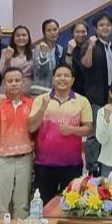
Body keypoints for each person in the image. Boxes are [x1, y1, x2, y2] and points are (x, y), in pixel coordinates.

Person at [30, 64, 94, 203]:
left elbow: (89, 128)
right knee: (43, 205)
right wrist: (43, 108)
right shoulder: (41, 99)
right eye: (59, 75)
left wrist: (73, 130)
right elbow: (31, 127)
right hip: (43, 164)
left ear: (72, 80)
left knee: (71, 205)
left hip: (71, 164)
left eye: (66, 76)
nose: (62, 79)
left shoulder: (82, 101)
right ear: (53, 79)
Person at [0, 68, 35, 220]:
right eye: (10, 81)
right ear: (4, 84)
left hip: (25, 158)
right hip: (1, 159)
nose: (14, 84)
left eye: (17, 81)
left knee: (22, 205)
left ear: (23, 82)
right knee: (0, 206)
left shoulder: (31, 104)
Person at [80, 13, 112, 116]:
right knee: (97, 130)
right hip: (96, 98)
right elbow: (86, 65)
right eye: (101, 25)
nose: (105, 27)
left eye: (108, 25)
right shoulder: (88, 44)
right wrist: (90, 47)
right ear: (95, 28)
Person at [0, 26, 34, 95]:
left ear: (28, 37)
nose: (21, 38)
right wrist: (7, 59)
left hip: (27, 88)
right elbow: (3, 73)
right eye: (17, 35)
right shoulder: (5, 51)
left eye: (24, 35)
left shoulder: (34, 52)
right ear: (13, 38)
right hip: (8, 87)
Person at [32, 19, 63, 95]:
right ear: (44, 33)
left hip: (58, 91)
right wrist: (44, 54)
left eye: (55, 30)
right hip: (41, 91)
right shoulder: (38, 49)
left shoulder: (60, 48)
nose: (52, 33)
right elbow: (41, 71)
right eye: (49, 30)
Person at [65, 22, 90, 95]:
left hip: (91, 89)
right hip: (75, 89)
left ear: (87, 32)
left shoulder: (91, 46)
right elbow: (67, 69)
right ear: (73, 33)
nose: (80, 34)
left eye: (83, 32)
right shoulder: (68, 48)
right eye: (77, 32)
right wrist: (69, 51)